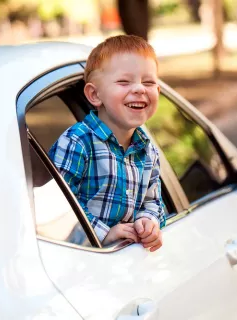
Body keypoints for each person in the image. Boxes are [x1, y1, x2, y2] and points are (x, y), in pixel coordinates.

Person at [49, 35, 166, 252]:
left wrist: (149, 221)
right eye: (124, 81)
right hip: (82, 258)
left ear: (157, 92)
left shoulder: (147, 150)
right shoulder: (77, 143)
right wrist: (103, 233)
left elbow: (153, 200)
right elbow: (57, 211)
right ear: (94, 94)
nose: (140, 89)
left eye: (148, 82)